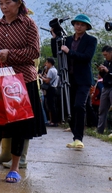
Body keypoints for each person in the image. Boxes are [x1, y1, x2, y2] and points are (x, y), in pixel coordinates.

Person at [0, 0, 46, 184]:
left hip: (22, 80)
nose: (4, 6)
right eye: (0, 3)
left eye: (8, 2)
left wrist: (10, 54)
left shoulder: (29, 24)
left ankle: (15, 168)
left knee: (19, 124)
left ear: (18, 3)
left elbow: (34, 52)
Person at [51, 13, 97, 149]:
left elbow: (86, 57)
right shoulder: (68, 40)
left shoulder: (91, 40)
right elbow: (56, 53)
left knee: (79, 106)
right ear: (74, 25)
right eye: (77, 24)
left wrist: (69, 52)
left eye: (82, 25)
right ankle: (75, 136)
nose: (79, 26)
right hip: (68, 79)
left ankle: (79, 138)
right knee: (69, 107)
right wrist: (54, 39)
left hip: (83, 79)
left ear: (86, 27)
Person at [96, 45, 112, 134]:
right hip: (105, 87)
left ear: (111, 53)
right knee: (102, 109)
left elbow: (109, 73)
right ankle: (100, 130)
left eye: (106, 55)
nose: (105, 57)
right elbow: (102, 76)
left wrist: (107, 71)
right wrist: (101, 70)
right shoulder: (106, 62)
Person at [41, 57, 61, 126]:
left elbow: (47, 81)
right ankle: (54, 121)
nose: (46, 64)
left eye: (47, 63)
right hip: (54, 88)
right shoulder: (55, 70)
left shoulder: (50, 70)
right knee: (53, 105)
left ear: (50, 63)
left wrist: (41, 77)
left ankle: (53, 121)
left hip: (51, 89)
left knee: (51, 105)